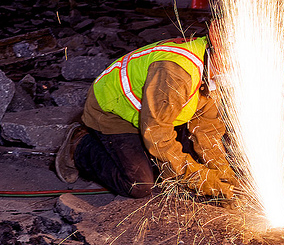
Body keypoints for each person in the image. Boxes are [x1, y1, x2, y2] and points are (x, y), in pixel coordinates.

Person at [55, 35, 237, 200]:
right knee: (139, 184)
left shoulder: (216, 69)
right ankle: (80, 146)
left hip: (156, 112)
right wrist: (203, 180)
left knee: (182, 162)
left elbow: (205, 130)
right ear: (222, 52)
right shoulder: (176, 72)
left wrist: (224, 174)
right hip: (115, 111)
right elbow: (157, 134)